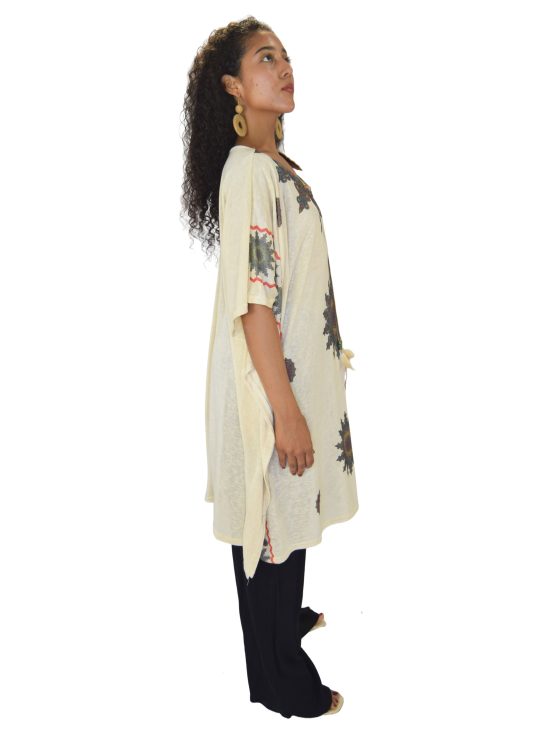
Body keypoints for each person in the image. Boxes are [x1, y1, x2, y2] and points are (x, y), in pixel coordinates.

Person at [180, 16, 359, 718]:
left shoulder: (272, 167)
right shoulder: (251, 171)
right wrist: (284, 409)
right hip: (269, 386)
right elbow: (256, 302)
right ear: (232, 85)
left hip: (286, 376)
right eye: (264, 58)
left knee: (283, 515)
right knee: (270, 524)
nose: (284, 68)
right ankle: (281, 681)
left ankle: (282, 622)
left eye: (285, 56)